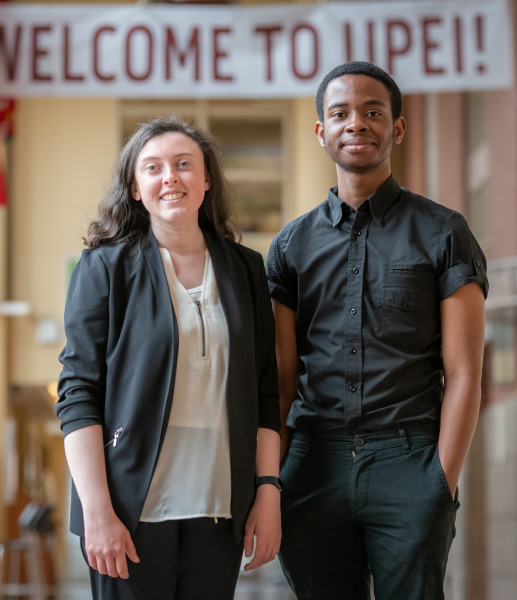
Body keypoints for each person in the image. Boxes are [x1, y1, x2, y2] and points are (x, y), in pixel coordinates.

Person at [266, 61, 488, 599]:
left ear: (398, 128)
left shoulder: (445, 232)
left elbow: (464, 374)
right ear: (321, 132)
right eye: (340, 113)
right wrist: (273, 480)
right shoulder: (290, 247)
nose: (356, 124)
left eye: (373, 112)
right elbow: (281, 381)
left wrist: (440, 480)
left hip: (409, 461)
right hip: (312, 463)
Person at [56, 116, 282, 600]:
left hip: (219, 504)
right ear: (136, 188)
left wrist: (268, 490)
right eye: (153, 168)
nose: (170, 178)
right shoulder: (103, 267)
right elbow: (78, 394)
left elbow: (266, 390)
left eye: (184, 165)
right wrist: (97, 510)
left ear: (206, 182)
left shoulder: (246, 269)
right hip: (128, 507)